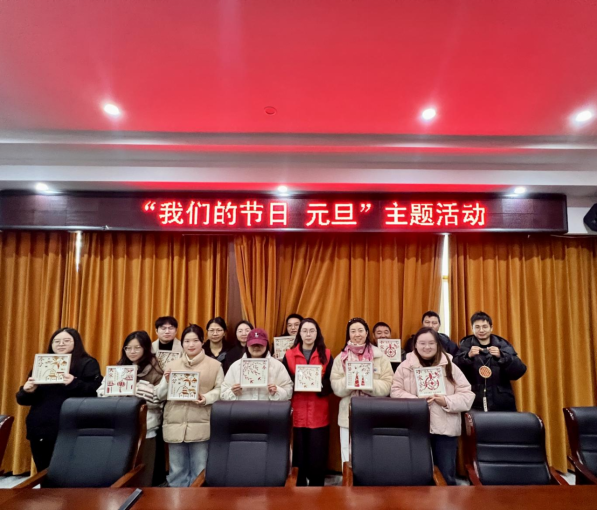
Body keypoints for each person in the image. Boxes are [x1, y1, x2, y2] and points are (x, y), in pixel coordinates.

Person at [391, 327, 475, 485]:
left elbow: (467, 395)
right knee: (417, 477)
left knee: (445, 477)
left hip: (445, 429)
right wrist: (416, 401)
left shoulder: (450, 365)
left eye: (431, 343)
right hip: (416, 429)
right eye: (422, 343)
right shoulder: (405, 366)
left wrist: (446, 401)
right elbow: (395, 391)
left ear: (438, 345)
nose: (427, 347)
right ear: (415, 345)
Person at [16, 328, 102, 471]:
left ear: (76, 343)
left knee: (72, 471)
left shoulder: (87, 363)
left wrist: (74, 383)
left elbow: (96, 392)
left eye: (66, 341)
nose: (61, 344)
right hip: (42, 427)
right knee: (44, 471)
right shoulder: (43, 363)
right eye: (56, 341)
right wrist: (26, 391)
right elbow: (23, 400)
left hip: (73, 427)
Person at [156, 324, 223, 487]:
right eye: (187, 341)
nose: (191, 345)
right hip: (175, 422)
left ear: (202, 342)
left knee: (200, 469)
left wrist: (206, 398)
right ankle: (176, 499)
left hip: (201, 422)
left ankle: (198, 499)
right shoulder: (172, 365)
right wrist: (167, 381)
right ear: (182, 343)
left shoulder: (215, 365)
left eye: (195, 341)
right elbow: (159, 394)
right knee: (176, 470)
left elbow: (222, 390)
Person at [97, 331, 165, 486]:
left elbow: (159, 400)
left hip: (146, 425)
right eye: (128, 348)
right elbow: (101, 393)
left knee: (143, 469)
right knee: (120, 468)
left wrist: (137, 390)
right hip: (120, 425)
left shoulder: (156, 370)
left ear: (145, 348)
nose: (132, 352)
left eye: (137, 348)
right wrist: (122, 390)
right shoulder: (118, 368)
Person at [331, 318, 393, 464]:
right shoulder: (340, 358)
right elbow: (335, 386)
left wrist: (366, 384)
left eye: (360, 330)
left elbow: (388, 384)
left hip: (374, 411)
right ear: (348, 334)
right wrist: (351, 381)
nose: (357, 334)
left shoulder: (380, 356)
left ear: (366, 333)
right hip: (348, 413)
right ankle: (348, 478)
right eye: (353, 331)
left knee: (372, 452)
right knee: (347, 453)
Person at [283, 318, 334, 487]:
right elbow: (285, 381)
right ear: (299, 333)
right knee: (298, 456)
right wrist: (297, 382)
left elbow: (331, 382)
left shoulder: (326, 354)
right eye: (304, 331)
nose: (308, 334)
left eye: (312, 331)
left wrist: (319, 384)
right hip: (296, 412)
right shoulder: (289, 355)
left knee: (317, 456)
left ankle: (317, 491)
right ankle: (298, 491)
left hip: (319, 413)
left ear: (317, 333)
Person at [454, 311, 527, 412]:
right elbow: (454, 371)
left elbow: (519, 371)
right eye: (477, 327)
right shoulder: (465, 346)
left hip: (502, 403)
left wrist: (502, 356)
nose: (481, 330)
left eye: (485, 326)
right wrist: (468, 357)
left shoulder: (503, 345)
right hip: (475, 403)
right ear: (472, 328)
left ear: (491, 327)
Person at [221, 328, 293, 402]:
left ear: (266, 345)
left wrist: (277, 391)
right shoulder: (236, 366)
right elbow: (223, 393)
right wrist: (232, 392)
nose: (256, 347)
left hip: (268, 408)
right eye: (253, 344)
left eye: (260, 344)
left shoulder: (277, 366)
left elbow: (288, 391)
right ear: (247, 345)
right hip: (242, 408)